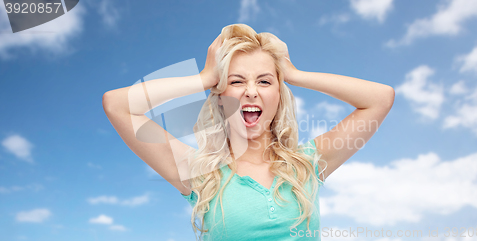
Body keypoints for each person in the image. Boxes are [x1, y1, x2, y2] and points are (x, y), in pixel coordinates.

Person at [102, 24, 394, 241]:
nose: (251, 91)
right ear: (219, 96)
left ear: (279, 95)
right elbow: (117, 105)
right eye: (237, 81)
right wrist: (205, 77)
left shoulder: (307, 164)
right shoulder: (201, 173)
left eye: (265, 82)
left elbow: (379, 98)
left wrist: (293, 74)